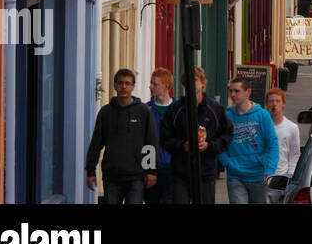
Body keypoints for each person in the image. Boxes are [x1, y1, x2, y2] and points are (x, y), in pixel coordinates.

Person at [85, 68, 159, 204]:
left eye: (127, 83)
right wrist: (90, 171)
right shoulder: (105, 113)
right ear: (114, 85)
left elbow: (151, 142)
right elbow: (96, 143)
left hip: (136, 176)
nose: (124, 87)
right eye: (120, 83)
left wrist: (152, 171)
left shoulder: (143, 111)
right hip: (112, 177)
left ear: (133, 86)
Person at [161, 67, 232, 204]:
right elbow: (165, 138)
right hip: (180, 173)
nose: (191, 84)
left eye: (195, 80)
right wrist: (182, 146)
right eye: (187, 80)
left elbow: (227, 134)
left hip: (206, 173)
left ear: (203, 82)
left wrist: (209, 146)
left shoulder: (215, 109)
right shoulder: (175, 109)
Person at [220, 77, 280, 204]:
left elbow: (273, 144)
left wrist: (270, 169)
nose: (232, 95)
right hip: (236, 176)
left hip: (259, 175)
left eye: (237, 91)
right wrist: (227, 162)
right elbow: (220, 142)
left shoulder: (262, 115)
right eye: (230, 91)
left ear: (248, 92)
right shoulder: (227, 117)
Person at [265, 87, 301, 203]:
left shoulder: (292, 128)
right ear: (266, 104)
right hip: (261, 177)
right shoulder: (261, 126)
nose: (274, 104)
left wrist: (290, 176)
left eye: (277, 101)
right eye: (271, 101)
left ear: (283, 104)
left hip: (281, 177)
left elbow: (294, 154)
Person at [144, 68, 174, 204]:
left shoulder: (179, 110)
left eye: (155, 84)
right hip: (152, 170)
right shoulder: (146, 110)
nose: (150, 87)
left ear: (166, 86)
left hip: (173, 169)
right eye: (151, 83)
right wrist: (148, 169)